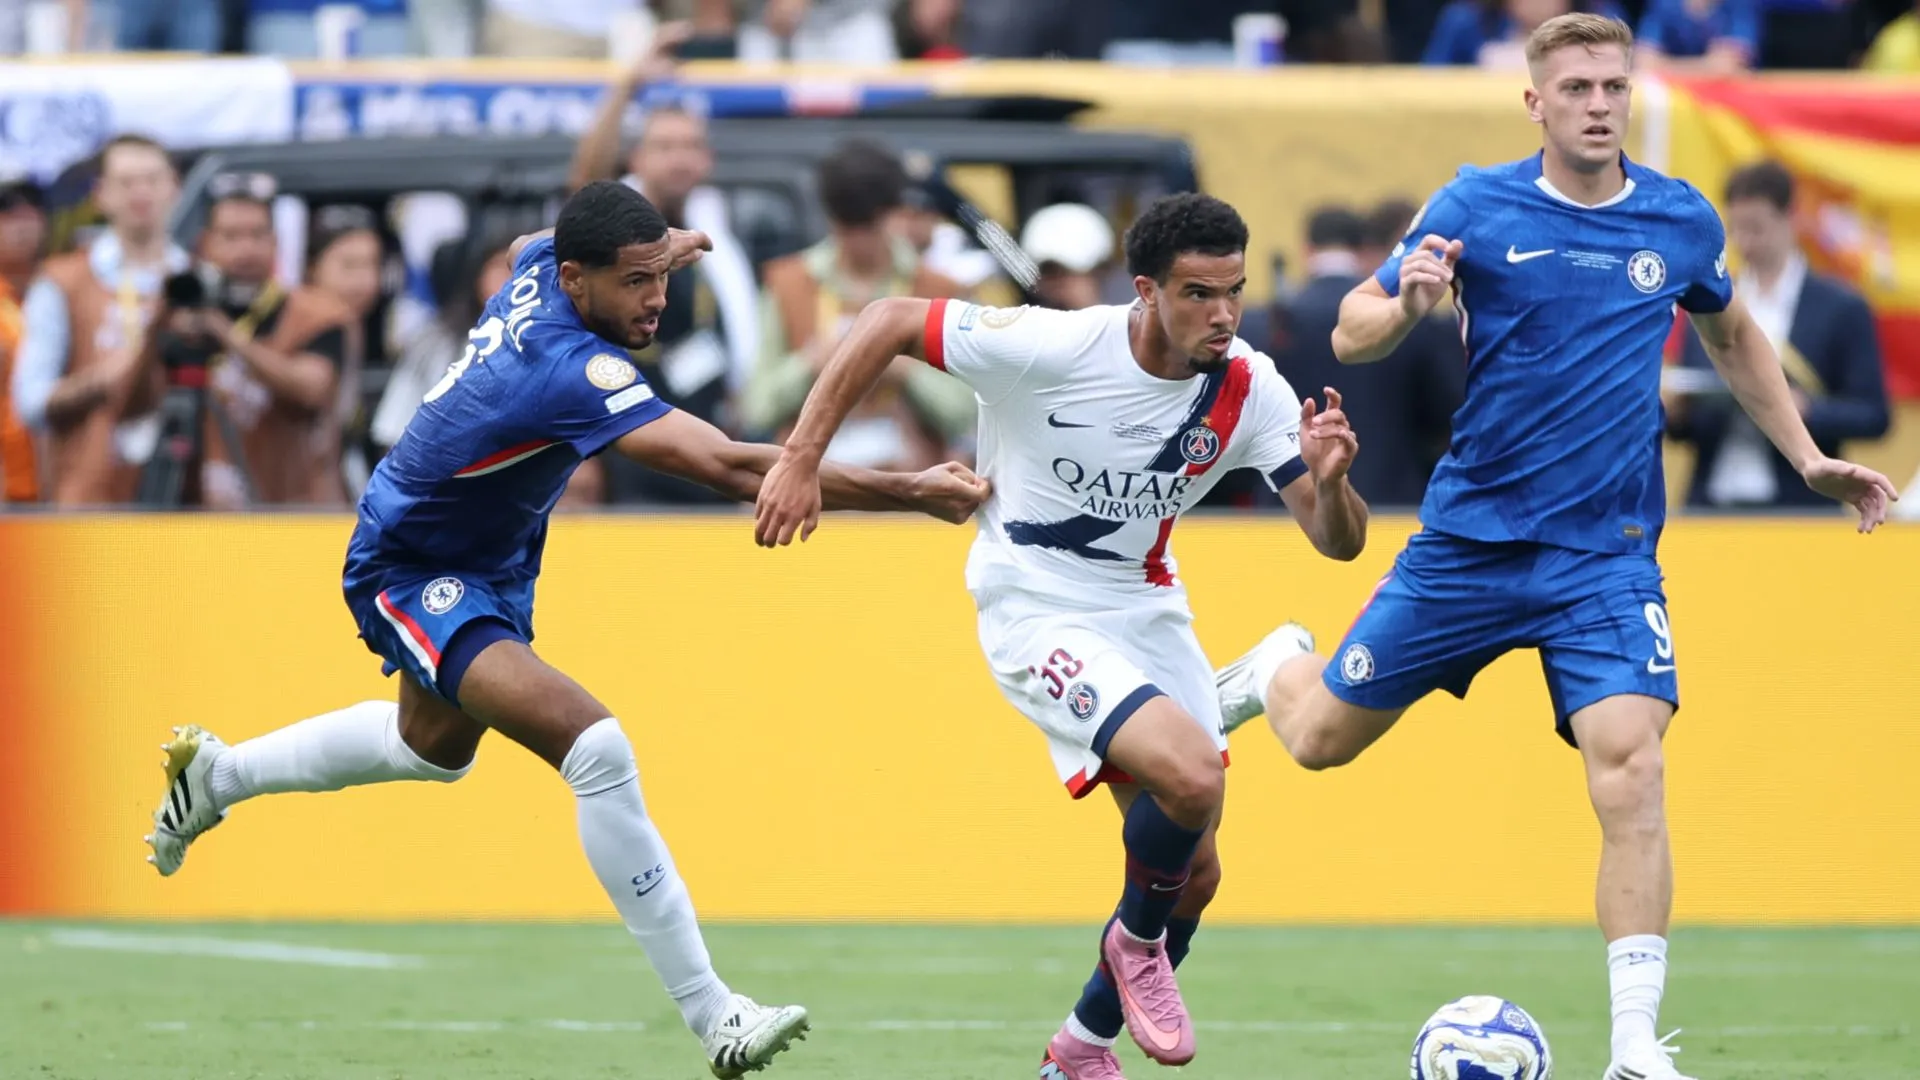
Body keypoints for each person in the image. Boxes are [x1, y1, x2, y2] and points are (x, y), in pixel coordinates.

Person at [143, 181, 990, 1079]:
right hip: (413, 565)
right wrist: (908, 492)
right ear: (580, 285)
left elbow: (535, 241)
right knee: (597, 747)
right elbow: (733, 463)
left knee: (428, 750)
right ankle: (717, 1017)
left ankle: (220, 776)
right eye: (635, 282)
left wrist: (667, 241)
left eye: (658, 276)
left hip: (488, 559)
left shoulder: (545, 266)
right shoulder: (572, 371)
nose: (656, 299)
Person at [1213, 16, 1897, 1080]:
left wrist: (1808, 457)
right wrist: (1411, 309)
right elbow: (1352, 325)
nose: (1596, 103)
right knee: (1318, 742)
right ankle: (1272, 666)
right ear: (1535, 102)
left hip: (1605, 557)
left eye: (1613, 85)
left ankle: (1633, 1045)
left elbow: (1733, 336)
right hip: (1470, 544)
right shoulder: (1475, 206)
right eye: (1575, 85)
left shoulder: (1678, 219)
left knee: (1633, 771)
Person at [753, 193, 1370, 1080]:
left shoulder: (1251, 387)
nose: (1223, 313)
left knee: (1196, 876)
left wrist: (1335, 480)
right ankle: (1137, 942)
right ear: (1147, 290)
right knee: (1191, 776)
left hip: (1146, 607)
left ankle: (1076, 1053)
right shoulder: (1051, 346)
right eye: (1199, 293)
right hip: (1033, 602)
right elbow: (887, 319)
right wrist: (800, 458)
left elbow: (1335, 542)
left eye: (1233, 290)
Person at [1667, 160, 1890, 512]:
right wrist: (1677, 413)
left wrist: (1804, 410)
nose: (1745, 242)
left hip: (1800, 509)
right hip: (1709, 507)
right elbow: (1685, 423)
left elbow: (1874, 416)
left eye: (1757, 227)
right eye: (1735, 229)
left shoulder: (1841, 307)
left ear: (1792, 217)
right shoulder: (1709, 298)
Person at [12, 133, 189, 506]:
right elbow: (30, 401)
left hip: (185, 503)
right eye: (126, 182)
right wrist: (110, 376)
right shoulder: (62, 281)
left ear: (174, 187)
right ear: (101, 194)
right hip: (87, 503)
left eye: (153, 180)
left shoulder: (194, 280)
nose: (141, 193)